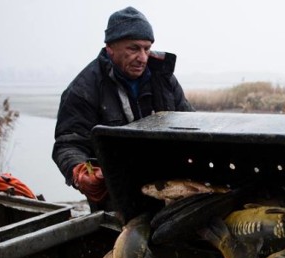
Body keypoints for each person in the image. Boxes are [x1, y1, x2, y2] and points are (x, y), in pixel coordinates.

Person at [52, 6, 194, 210]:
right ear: (110, 47)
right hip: (115, 199)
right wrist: (81, 173)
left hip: (170, 193)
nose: (143, 57)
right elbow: (68, 143)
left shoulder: (164, 80)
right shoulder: (83, 89)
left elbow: (189, 123)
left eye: (147, 48)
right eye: (133, 48)